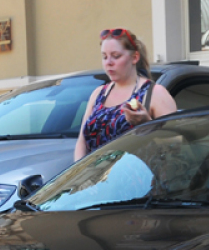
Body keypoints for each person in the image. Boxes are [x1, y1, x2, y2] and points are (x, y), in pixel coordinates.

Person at [74, 28, 176, 160]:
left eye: (116, 56)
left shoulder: (154, 93)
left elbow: (175, 143)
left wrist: (147, 124)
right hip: (99, 178)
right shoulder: (99, 93)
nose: (108, 62)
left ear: (135, 57)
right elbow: (81, 142)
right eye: (104, 56)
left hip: (139, 177)